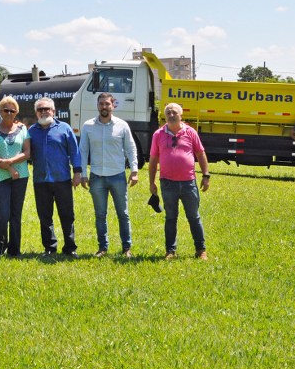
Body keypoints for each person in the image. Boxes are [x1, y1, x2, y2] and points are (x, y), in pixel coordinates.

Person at [80, 92, 139, 258]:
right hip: (97, 176)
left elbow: (131, 148)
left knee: (123, 214)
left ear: (113, 105)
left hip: (118, 176)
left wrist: (134, 171)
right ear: (97, 106)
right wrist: (83, 174)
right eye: (101, 104)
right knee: (100, 215)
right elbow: (83, 151)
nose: (104, 107)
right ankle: (102, 248)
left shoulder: (122, 125)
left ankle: (127, 248)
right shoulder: (88, 126)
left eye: (107, 104)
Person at [148, 102, 209, 260]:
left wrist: (205, 175)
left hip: (189, 182)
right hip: (167, 183)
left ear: (181, 115)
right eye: (168, 112)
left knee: (193, 217)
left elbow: (201, 154)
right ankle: (170, 251)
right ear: (165, 115)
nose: (171, 115)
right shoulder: (158, 134)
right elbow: (153, 159)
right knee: (170, 217)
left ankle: (201, 250)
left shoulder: (190, 132)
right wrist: (152, 182)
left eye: (174, 112)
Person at [28, 97, 82, 259]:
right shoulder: (31, 131)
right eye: (40, 109)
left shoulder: (64, 128)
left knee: (67, 215)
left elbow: (74, 151)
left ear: (53, 111)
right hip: (41, 180)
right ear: (36, 113)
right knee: (44, 216)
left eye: (47, 109)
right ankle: (50, 248)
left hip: (62, 179)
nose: (44, 112)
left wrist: (77, 172)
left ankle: (70, 247)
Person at [0, 96, 31, 257]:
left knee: (16, 214)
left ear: (16, 112)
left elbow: (27, 152)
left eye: (12, 110)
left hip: (21, 176)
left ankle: (15, 250)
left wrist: (10, 161)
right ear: (0, 111)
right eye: (6, 110)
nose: (9, 113)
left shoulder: (22, 129)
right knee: (3, 214)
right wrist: (10, 168)